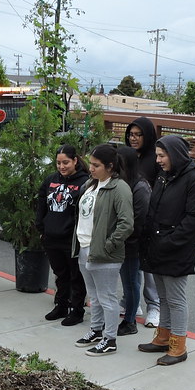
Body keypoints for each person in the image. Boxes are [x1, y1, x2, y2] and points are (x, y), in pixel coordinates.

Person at [136, 135, 195, 366]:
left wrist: (170, 241)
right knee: (163, 297)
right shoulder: (164, 176)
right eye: (157, 155)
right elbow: (153, 209)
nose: (158, 160)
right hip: (157, 243)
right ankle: (164, 337)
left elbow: (194, 218)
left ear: (175, 154)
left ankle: (179, 345)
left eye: (162, 155)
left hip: (177, 248)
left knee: (176, 299)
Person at [73, 144, 134, 356]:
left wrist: (109, 244)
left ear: (110, 166)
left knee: (107, 297)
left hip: (104, 252)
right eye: (90, 164)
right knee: (94, 296)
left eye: (96, 165)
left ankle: (110, 339)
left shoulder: (119, 188)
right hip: (85, 246)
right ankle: (96, 330)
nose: (90, 168)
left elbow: (126, 223)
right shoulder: (91, 184)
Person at [36, 144, 90, 326]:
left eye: (65, 162)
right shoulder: (50, 180)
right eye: (58, 163)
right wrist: (41, 229)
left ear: (75, 160)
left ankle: (77, 310)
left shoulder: (85, 182)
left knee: (76, 276)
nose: (61, 167)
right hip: (51, 237)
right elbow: (41, 205)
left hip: (72, 239)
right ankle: (61, 305)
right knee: (60, 274)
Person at [125, 117, 161, 327]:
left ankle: (154, 307)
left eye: (139, 135)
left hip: (150, 220)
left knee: (148, 268)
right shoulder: (126, 157)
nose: (134, 138)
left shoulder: (155, 159)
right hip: (128, 218)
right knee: (131, 265)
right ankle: (132, 303)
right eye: (131, 134)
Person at [116, 144, 150, 336]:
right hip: (120, 242)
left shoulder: (139, 187)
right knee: (127, 282)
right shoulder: (122, 182)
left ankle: (130, 321)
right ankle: (128, 315)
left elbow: (139, 221)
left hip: (132, 244)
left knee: (131, 282)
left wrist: (120, 236)